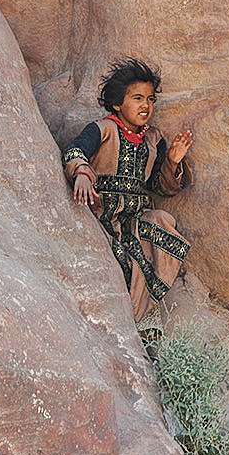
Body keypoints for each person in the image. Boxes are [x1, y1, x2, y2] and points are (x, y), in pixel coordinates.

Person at [63, 58, 194, 327]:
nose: (145, 106)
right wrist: (83, 174)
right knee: (122, 262)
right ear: (117, 103)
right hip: (102, 215)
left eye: (150, 99)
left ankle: (139, 320)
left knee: (162, 223)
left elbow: (160, 187)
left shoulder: (153, 139)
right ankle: (129, 323)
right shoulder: (103, 129)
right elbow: (75, 151)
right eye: (137, 98)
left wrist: (172, 161)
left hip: (132, 219)